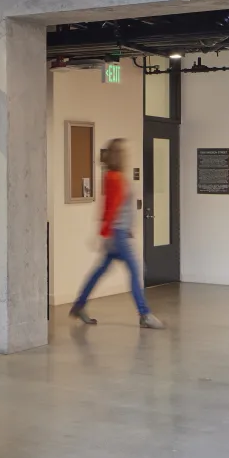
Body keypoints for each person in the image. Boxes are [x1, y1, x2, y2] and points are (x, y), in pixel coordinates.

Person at [69, 138, 165, 329]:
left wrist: (109, 232)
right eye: (125, 151)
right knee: (135, 271)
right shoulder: (114, 178)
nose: (128, 154)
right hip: (118, 235)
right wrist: (106, 233)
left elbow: (112, 208)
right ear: (118, 155)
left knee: (100, 271)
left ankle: (79, 305)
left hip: (119, 233)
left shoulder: (114, 176)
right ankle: (144, 314)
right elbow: (110, 208)